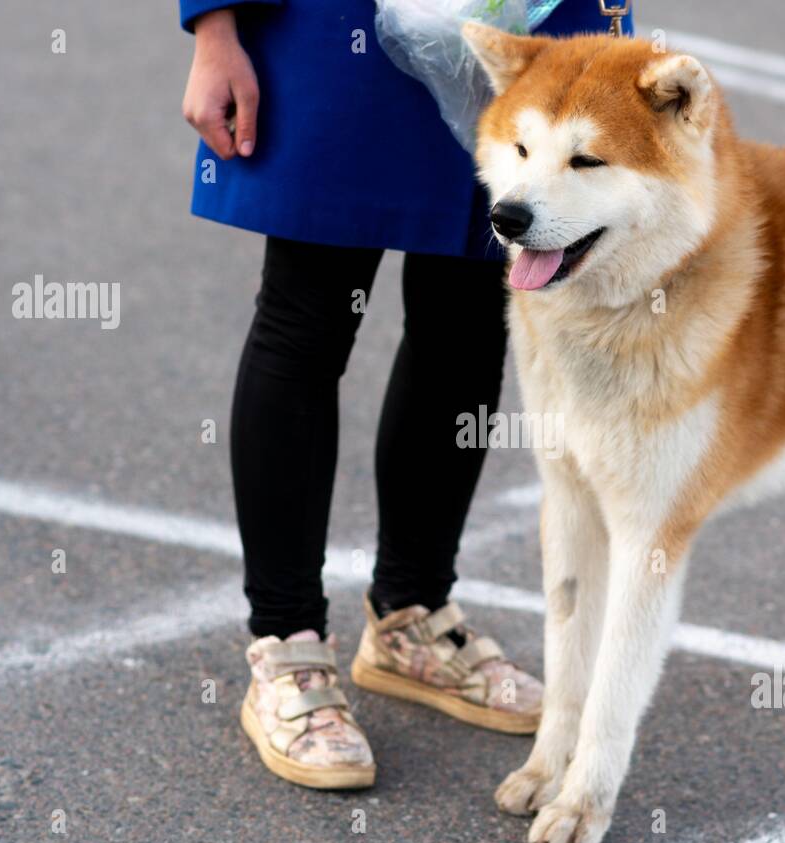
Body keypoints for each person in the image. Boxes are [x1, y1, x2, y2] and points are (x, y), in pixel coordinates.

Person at [179, 0, 633, 789]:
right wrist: (213, 25)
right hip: (341, 23)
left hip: (519, 22)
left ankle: (412, 616)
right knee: (308, 315)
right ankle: (287, 646)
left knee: (469, 315)